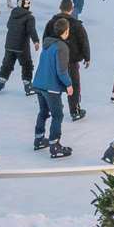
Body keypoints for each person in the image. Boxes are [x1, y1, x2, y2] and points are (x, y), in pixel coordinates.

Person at [42, 0, 91, 121]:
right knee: (73, 84)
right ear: (71, 9)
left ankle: (51, 108)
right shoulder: (76, 25)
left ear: (60, 7)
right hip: (71, 60)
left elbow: (45, 40)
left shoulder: (51, 23)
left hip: (54, 59)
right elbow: (84, 41)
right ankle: (75, 111)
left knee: (54, 83)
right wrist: (87, 57)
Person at [32, 18, 74, 158]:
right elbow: (61, 70)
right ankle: (54, 145)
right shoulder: (62, 47)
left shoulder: (48, 43)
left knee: (43, 111)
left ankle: (39, 139)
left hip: (39, 83)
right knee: (58, 115)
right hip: (51, 87)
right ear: (66, 31)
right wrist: (68, 84)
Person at [0, 0, 40, 95]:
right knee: (27, 65)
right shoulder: (30, 18)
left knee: (7, 64)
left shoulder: (13, 13)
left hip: (9, 45)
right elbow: (31, 30)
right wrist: (36, 41)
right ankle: (28, 86)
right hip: (22, 47)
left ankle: (1, 83)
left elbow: (8, 25)